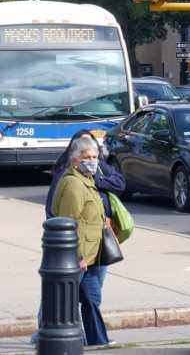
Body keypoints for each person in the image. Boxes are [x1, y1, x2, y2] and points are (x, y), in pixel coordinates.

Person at [51, 134, 110, 346]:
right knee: (64, 302)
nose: (92, 161)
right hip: (80, 257)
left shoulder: (87, 180)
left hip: (93, 255)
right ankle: (59, 340)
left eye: (94, 157)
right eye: (87, 157)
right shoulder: (74, 185)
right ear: (75, 159)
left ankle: (98, 342)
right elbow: (69, 223)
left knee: (92, 300)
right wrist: (77, 256)